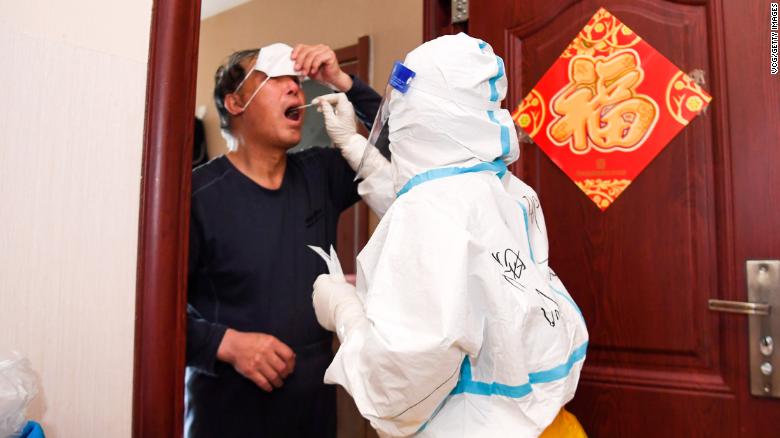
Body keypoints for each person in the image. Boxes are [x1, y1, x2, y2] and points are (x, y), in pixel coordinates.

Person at [312, 33, 589, 437]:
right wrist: (357, 147)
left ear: (418, 117)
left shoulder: (432, 211)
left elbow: (395, 385)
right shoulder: (506, 188)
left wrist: (344, 311)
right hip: (547, 422)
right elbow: (450, 224)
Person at [185, 42, 382, 438]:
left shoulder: (320, 172)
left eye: (296, 80)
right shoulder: (194, 196)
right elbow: (152, 315)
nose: (295, 87)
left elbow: (399, 144)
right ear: (236, 103)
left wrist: (344, 82)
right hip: (227, 410)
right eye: (274, 77)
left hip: (313, 408)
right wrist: (226, 343)